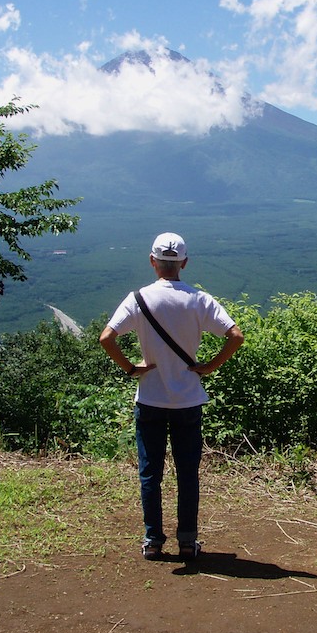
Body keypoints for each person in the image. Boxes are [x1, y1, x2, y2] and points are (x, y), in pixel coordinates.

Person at [99, 232, 244, 561]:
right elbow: (235, 336)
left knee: (151, 473)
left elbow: (106, 338)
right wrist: (209, 367)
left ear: (152, 262)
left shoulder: (137, 299)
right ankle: (187, 541)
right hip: (188, 401)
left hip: (150, 398)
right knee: (187, 473)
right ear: (184, 263)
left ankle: (153, 541)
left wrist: (131, 368)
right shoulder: (198, 300)